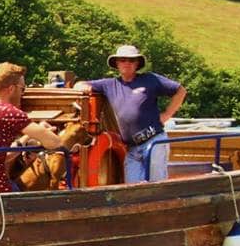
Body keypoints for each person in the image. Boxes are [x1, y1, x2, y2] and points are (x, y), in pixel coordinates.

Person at [0, 63, 82, 194]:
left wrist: (28, 137)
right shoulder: (9, 112)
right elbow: (56, 143)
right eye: (22, 89)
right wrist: (42, 134)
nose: (22, 94)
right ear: (11, 89)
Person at [75, 44, 186, 184]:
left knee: (157, 186)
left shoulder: (150, 79)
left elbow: (180, 91)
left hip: (154, 140)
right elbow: (79, 85)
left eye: (131, 60)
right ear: (116, 63)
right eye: (122, 60)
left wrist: (167, 115)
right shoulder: (109, 85)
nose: (127, 63)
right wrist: (83, 88)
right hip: (131, 148)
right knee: (130, 189)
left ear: (137, 63)